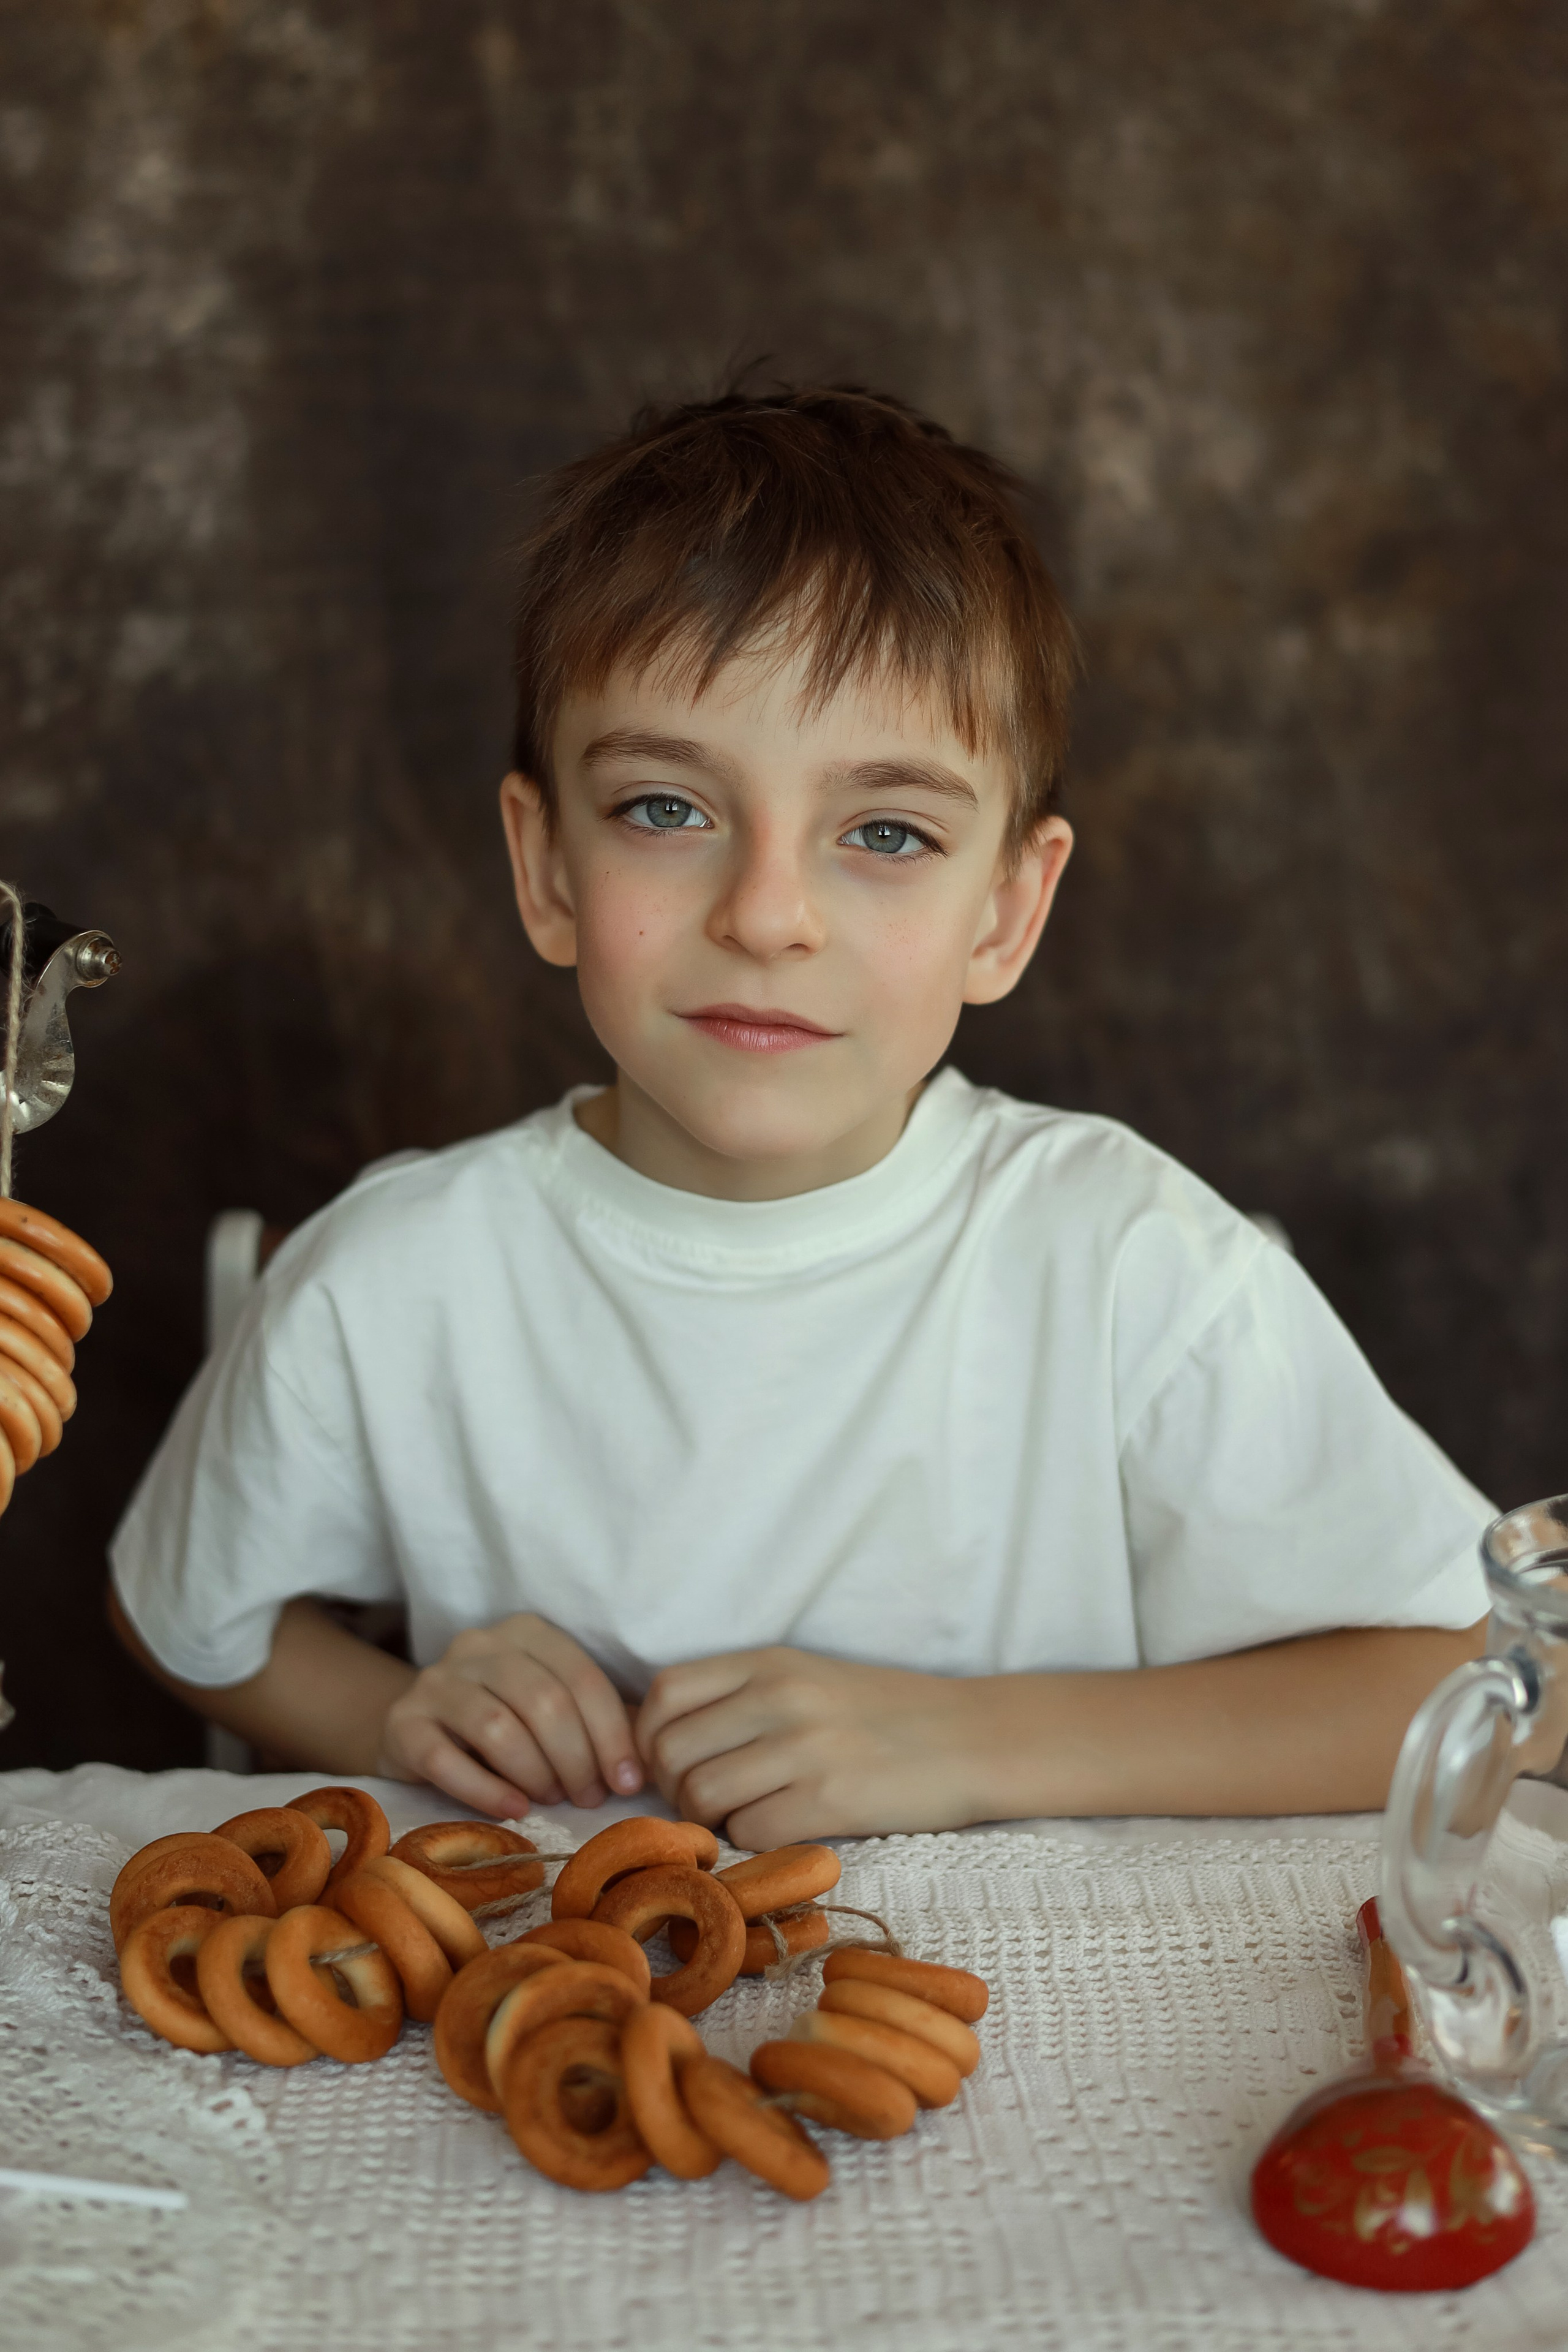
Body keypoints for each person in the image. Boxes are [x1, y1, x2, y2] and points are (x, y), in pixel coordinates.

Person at [109, 385, 1490, 1845]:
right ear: (548, 869)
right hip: (554, 2026)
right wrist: (391, 1714)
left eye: (885, 834)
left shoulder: (1123, 1263)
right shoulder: (395, 1276)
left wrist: (968, 1744)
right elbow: (187, 1615)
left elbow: (1503, 1682)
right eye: (664, 808)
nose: (766, 915)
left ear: (1006, 910)